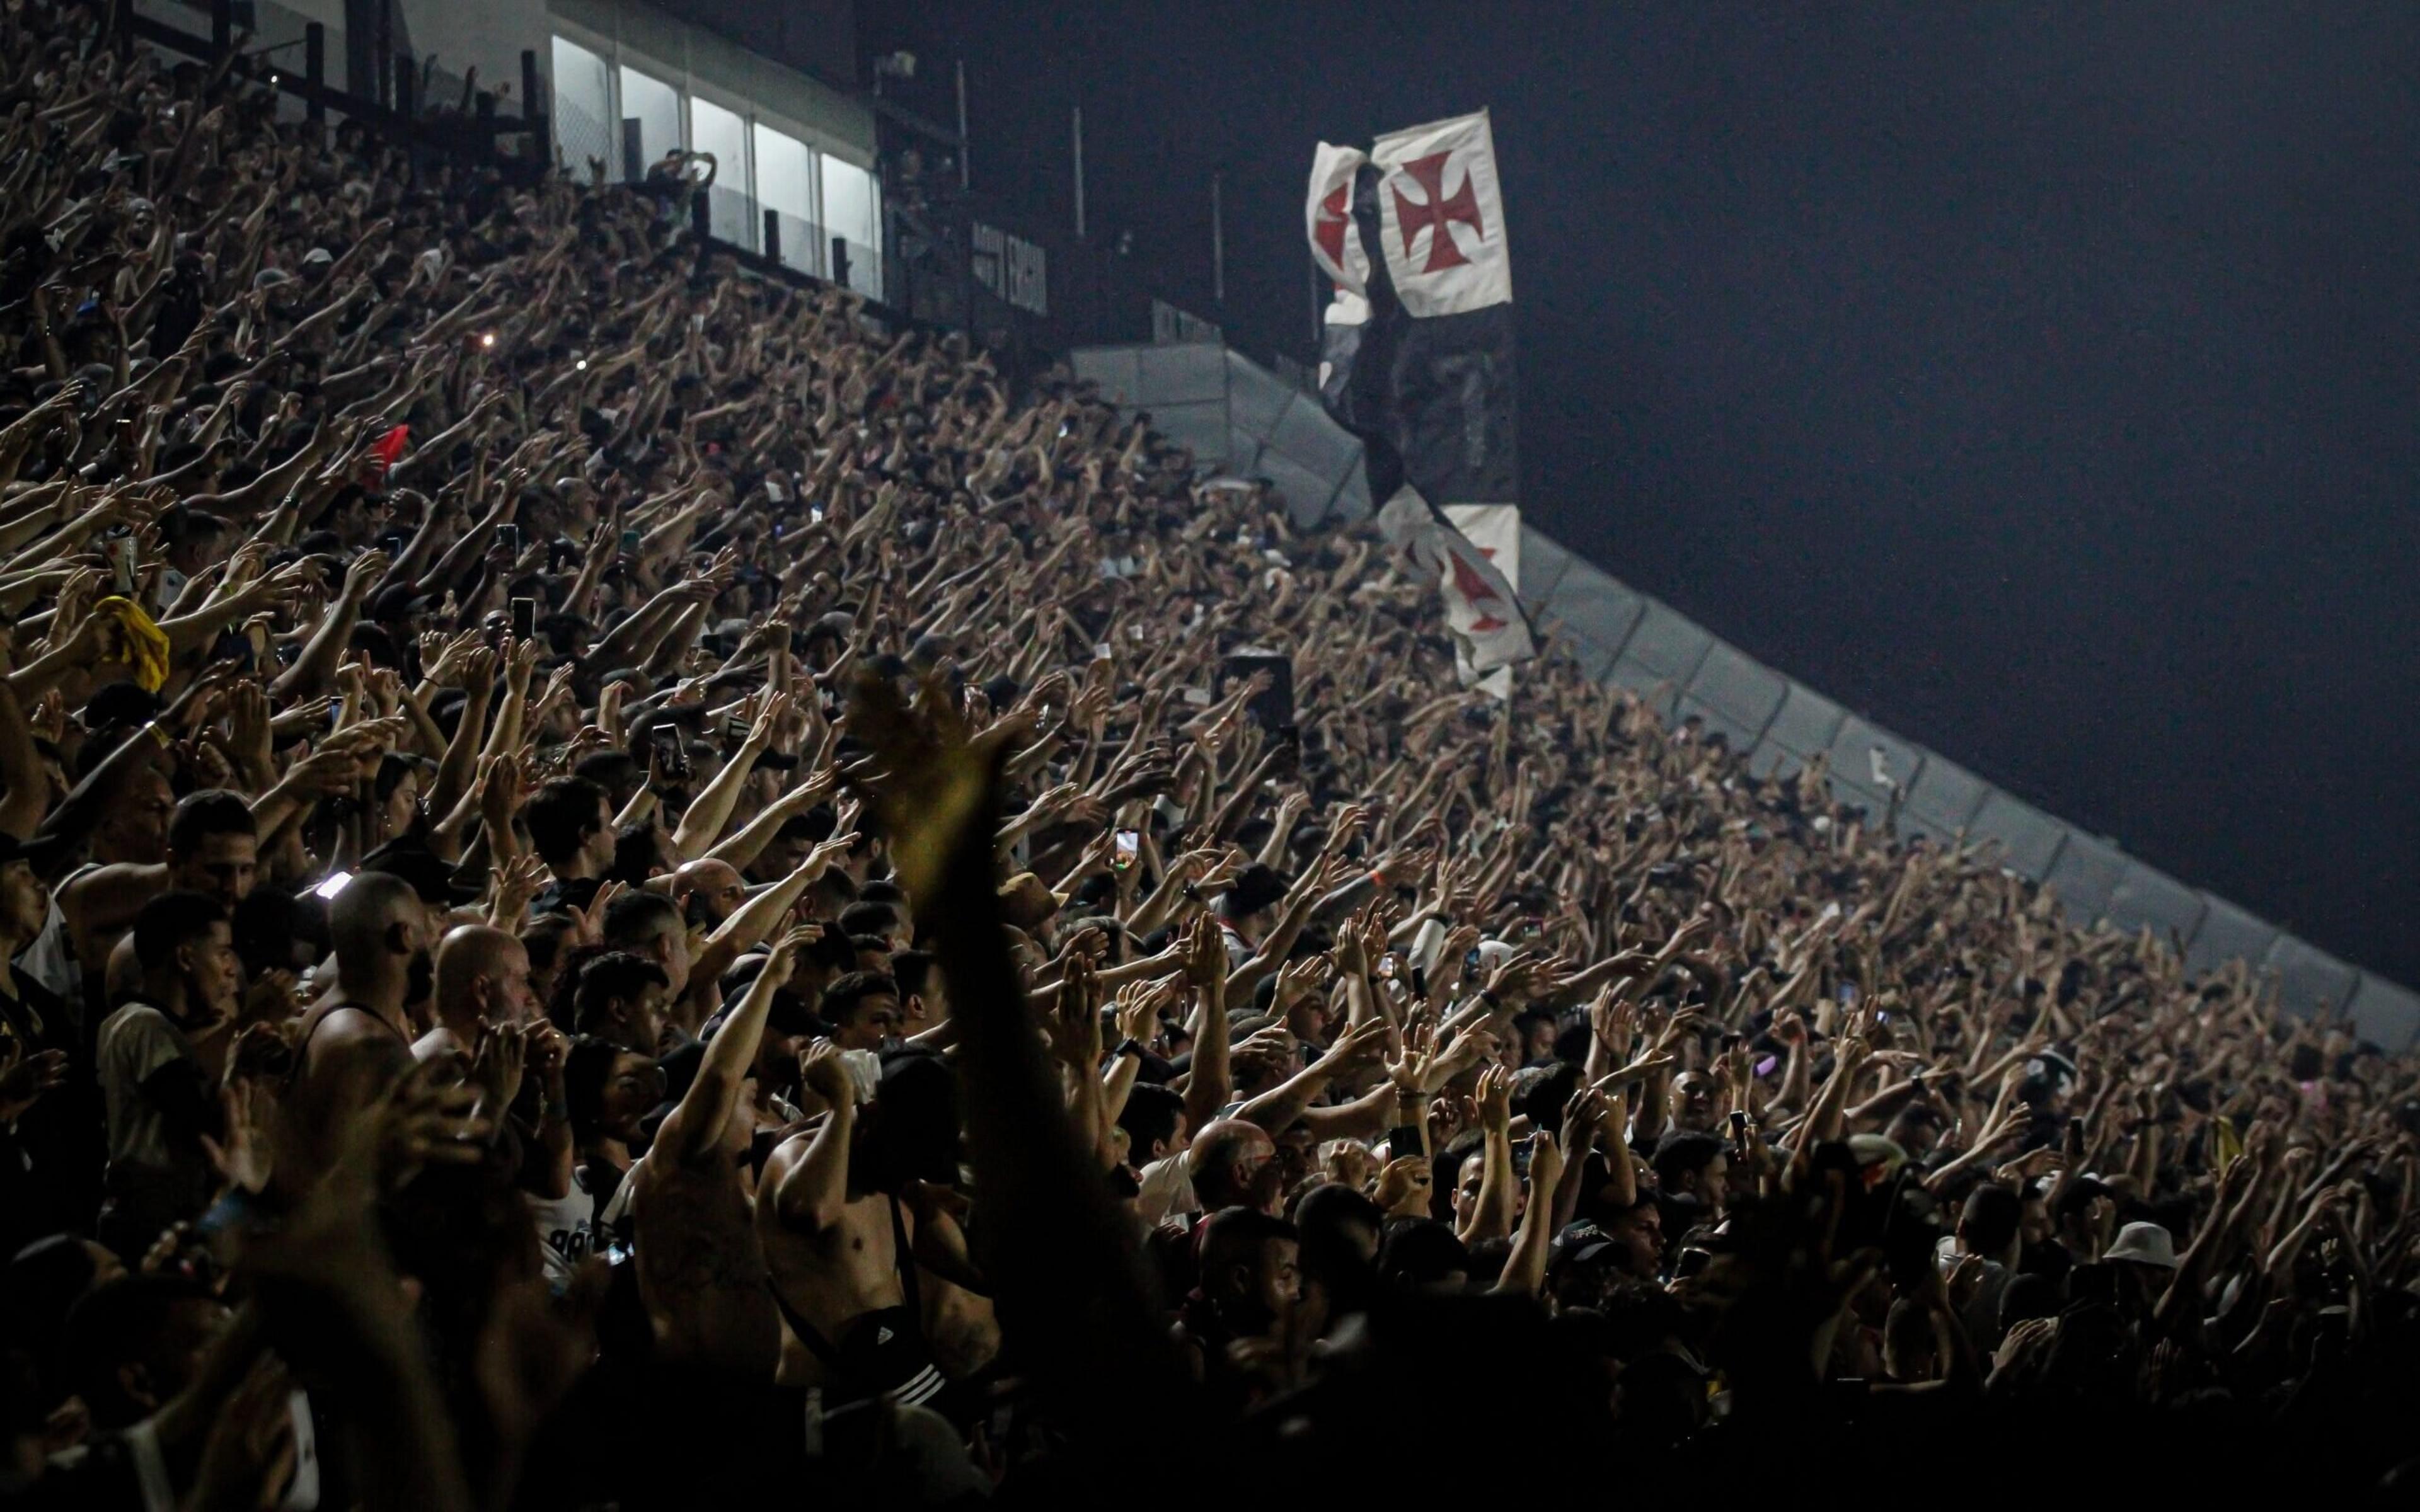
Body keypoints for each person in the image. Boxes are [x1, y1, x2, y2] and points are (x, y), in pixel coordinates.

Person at [91, 893, 239, 1256]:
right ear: (186, 957)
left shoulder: (161, 1028)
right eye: (222, 952)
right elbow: (196, 1117)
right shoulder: (141, 1025)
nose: (231, 968)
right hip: (149, 1230)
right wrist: (245, 1025)